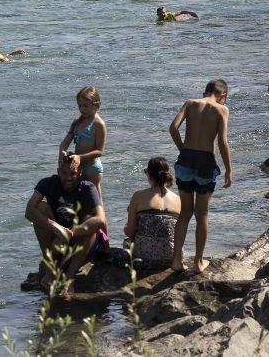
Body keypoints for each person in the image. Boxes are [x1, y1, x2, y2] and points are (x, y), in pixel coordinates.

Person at [168, 79, 232, 275]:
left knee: (185, 213)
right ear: (223, 95)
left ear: (205, 92)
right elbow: (222, 141)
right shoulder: (222, 109)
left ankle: (177, 260)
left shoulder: (190, 103)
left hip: (185, 160)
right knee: (201, 214)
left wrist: (183, 149)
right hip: (205, 162)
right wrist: (229, 169)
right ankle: (198, 262)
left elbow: (172, 128)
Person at [24, 153, 107, 299]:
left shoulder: (87, 187)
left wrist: (71, 233)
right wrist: (56, 228)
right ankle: (50, 267)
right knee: (41, 208)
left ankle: (70, 279)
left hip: (81, 239)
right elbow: (29, 211)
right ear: (58, 172)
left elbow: (100, 219)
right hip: (58, 235)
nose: (68, 177)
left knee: (90, 219)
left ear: (80, 172)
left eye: (73, 173)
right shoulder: (48, 183)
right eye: (64, 173)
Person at [59, 87, 108, 229]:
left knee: (97, 207)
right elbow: (64, 143)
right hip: (76, 168)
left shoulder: (99, 124)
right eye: (79, 105)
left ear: (96, 104)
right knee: (80, 205)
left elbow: (99, 151)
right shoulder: (77, 122)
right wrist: (62, 153)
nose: (82, 109)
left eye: (86, 106)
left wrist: (80, 157)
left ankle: (105, 242)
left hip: (92, 169)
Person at [122, 157, 181, 269]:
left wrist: (126, 227)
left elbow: (129, 232)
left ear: (149, 174)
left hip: (142, 258)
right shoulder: (178, 199)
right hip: (169, 259)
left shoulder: (138, 196)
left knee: (127, 242)